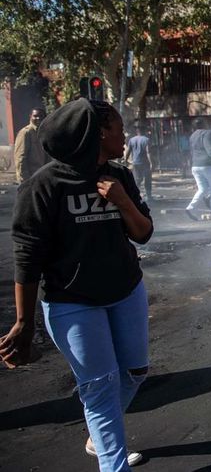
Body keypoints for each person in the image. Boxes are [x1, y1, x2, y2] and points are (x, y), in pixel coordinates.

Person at [1, 98, 153, 471]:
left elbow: (143, 233)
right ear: (100, 133)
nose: (124, 135)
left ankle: (99, 433)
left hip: (126, 291)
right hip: (72, 302)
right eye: (118, 128)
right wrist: (24, 322)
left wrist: (120, 200)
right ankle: (111, 461)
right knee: (99, 387)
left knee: (134, 372)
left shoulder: (121, 176)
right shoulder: (42, 186)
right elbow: (27, 256)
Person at [185, 118, 211, 221]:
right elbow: (208, 146)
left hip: (195, 165)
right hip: (208, 165)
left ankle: (190, 207)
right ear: (204, 124)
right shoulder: (207, 133)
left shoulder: (193, 135)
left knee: (202, 189)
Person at [13, 107, 48, 183]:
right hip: (30, 177)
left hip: (42, 176)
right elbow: (20, 158)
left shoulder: (44, 133)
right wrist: (24, 180)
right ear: (30, 117)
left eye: (41, 116)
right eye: (35, 116)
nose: (38, 118)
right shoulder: (26, 133)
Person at [124, 126, 152, 201]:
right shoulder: (146, 139)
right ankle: (149, 196)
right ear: (143, 131)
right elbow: (148, 152)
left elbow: (128, 151)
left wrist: (125, 160)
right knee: (147, 179)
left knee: (137, 180)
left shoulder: (132, 140)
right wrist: (151, 162)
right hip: (145, 163)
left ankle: (135, 196)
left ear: (137, 131)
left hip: (135, 163)